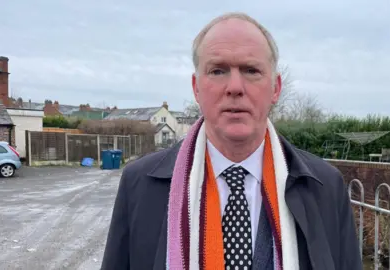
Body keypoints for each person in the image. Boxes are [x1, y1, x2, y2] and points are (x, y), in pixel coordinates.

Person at [101, 12, 362, 270]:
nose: (235, 87)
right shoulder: (140, 186)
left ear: (275, 88)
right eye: (217, 71)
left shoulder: (325, 187)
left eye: (251, 70)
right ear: (196, 88)